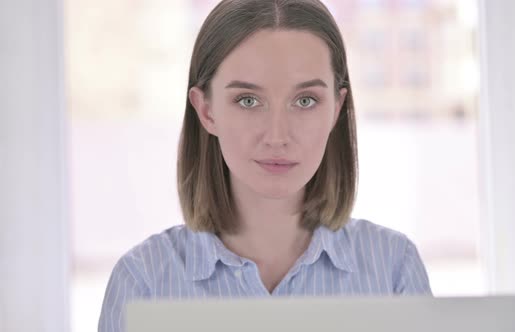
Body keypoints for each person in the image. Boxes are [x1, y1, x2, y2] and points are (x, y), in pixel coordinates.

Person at [98, 0, 431, 331]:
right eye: (248, 100)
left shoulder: (393, 268)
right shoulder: (143, 282)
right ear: (206, 110)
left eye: (305, 101)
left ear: (336, 108)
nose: (277, 136)